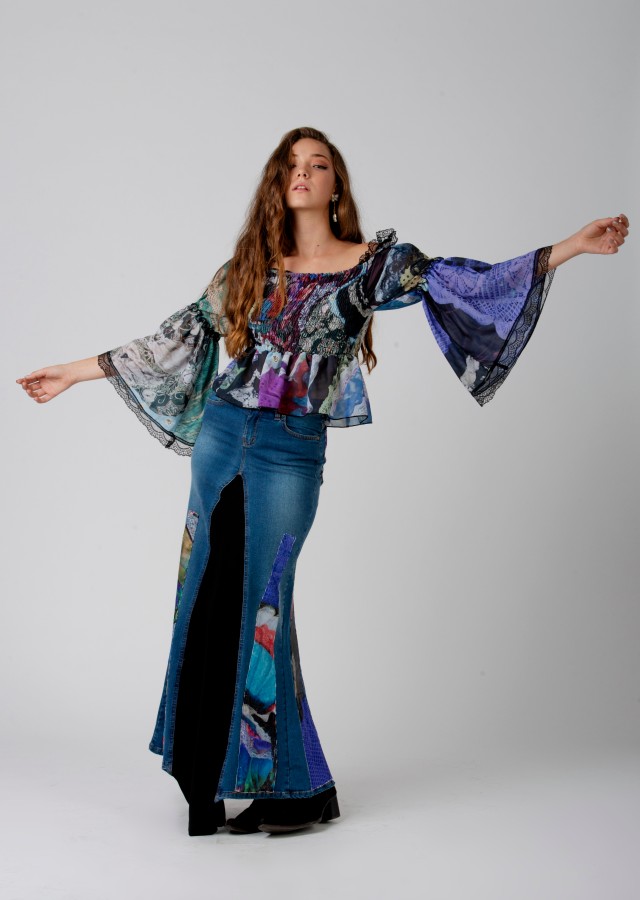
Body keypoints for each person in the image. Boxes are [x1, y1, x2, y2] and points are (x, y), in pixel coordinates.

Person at [16, 126, 630, 837]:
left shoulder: (372, 266)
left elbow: (466, 282)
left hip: (290, 452)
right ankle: (209, 784)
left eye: (318, 164)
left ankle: (288, 786)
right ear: (277, 184)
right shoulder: (249, 268)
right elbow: (178, 336)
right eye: (291, 165)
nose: (303, 173)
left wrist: (570, 247)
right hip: (221, 437)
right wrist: (74, 372)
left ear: (336, 184)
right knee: (205, 593)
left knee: (264, 606)